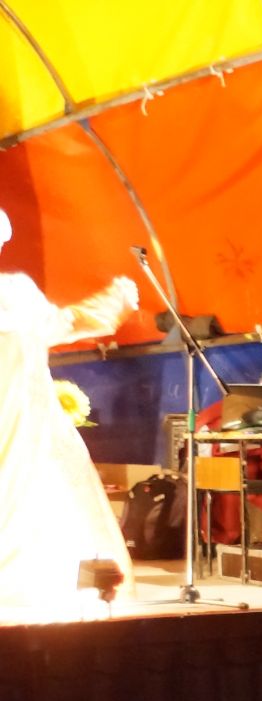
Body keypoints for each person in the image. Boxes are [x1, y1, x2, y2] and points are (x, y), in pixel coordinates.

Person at [0, 207, 139, 621]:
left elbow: (60, 323)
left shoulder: (16, 293)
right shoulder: (15, 293)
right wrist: (109, 307)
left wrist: (109, 307)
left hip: (27, 419)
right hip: (23, 420)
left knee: (38, 494)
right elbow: (63, 323)